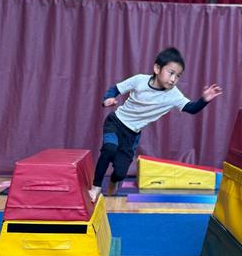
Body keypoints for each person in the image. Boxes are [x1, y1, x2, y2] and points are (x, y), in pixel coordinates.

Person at [89, 47, 222, 202]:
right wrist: (107, 99)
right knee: (109, 148)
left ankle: (114, 180)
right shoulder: (139, 80)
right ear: (157, 69)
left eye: (178, 76)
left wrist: (204, 100)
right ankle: (96, 187)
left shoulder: (173, 94)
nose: (173, 79)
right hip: (116, 122)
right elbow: (115, 89)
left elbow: (191, 108)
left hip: (131, 135)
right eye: (171, 73)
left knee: (120, 172)